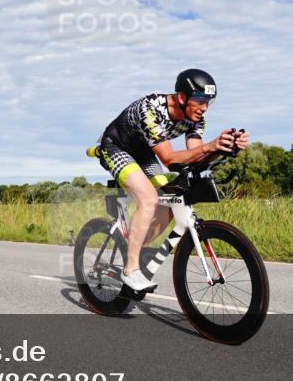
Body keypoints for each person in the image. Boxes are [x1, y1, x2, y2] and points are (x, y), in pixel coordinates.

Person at [92, 69, 248, 291]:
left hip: (145, 153)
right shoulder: (150, 110)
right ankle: (131, 270)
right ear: (182, 97)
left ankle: (133, 248)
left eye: (208, 102)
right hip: (116, 148)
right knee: (149, 199)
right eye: (200, 100)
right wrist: (211, 146)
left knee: (171, 201)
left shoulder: (196, 118)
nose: (204, 107)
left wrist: (224, 148)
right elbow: (169, 158)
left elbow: (194, 156)